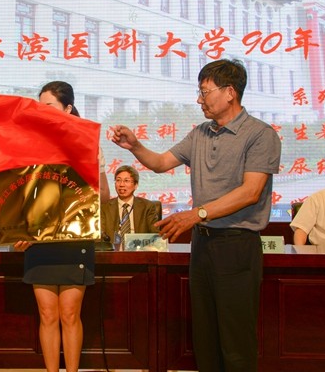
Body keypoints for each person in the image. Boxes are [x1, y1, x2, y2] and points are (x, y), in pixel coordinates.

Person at [111, 59, 281, 372]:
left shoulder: (260, 134)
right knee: (205, 337)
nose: (199, 99)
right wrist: (135, 146)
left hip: (236, 245)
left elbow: (251, 192)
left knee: (235, 340)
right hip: (203, 245)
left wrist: (197, 213)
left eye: (205, 92)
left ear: (229, 92)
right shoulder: (201, 133)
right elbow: (161, 162)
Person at [14, 81, 108, 372]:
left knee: (69, 314)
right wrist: (19, 231)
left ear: (67, 108)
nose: (42, 112)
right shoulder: (29, 144)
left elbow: (104, 196)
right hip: (39, 242)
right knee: (47, 314)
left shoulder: (86, 143)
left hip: (74, 239)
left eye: (49, 106)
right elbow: (21, 196)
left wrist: (93, 172)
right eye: (39, 107)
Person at [101, 164, 160, 249]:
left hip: (139, 251)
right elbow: (101, 236)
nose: (121, 184)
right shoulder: (105, 207)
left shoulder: (147, 207)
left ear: (135, 185)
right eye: (118, 180)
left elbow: (155, 236)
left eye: (126, 181)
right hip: (113, 253)